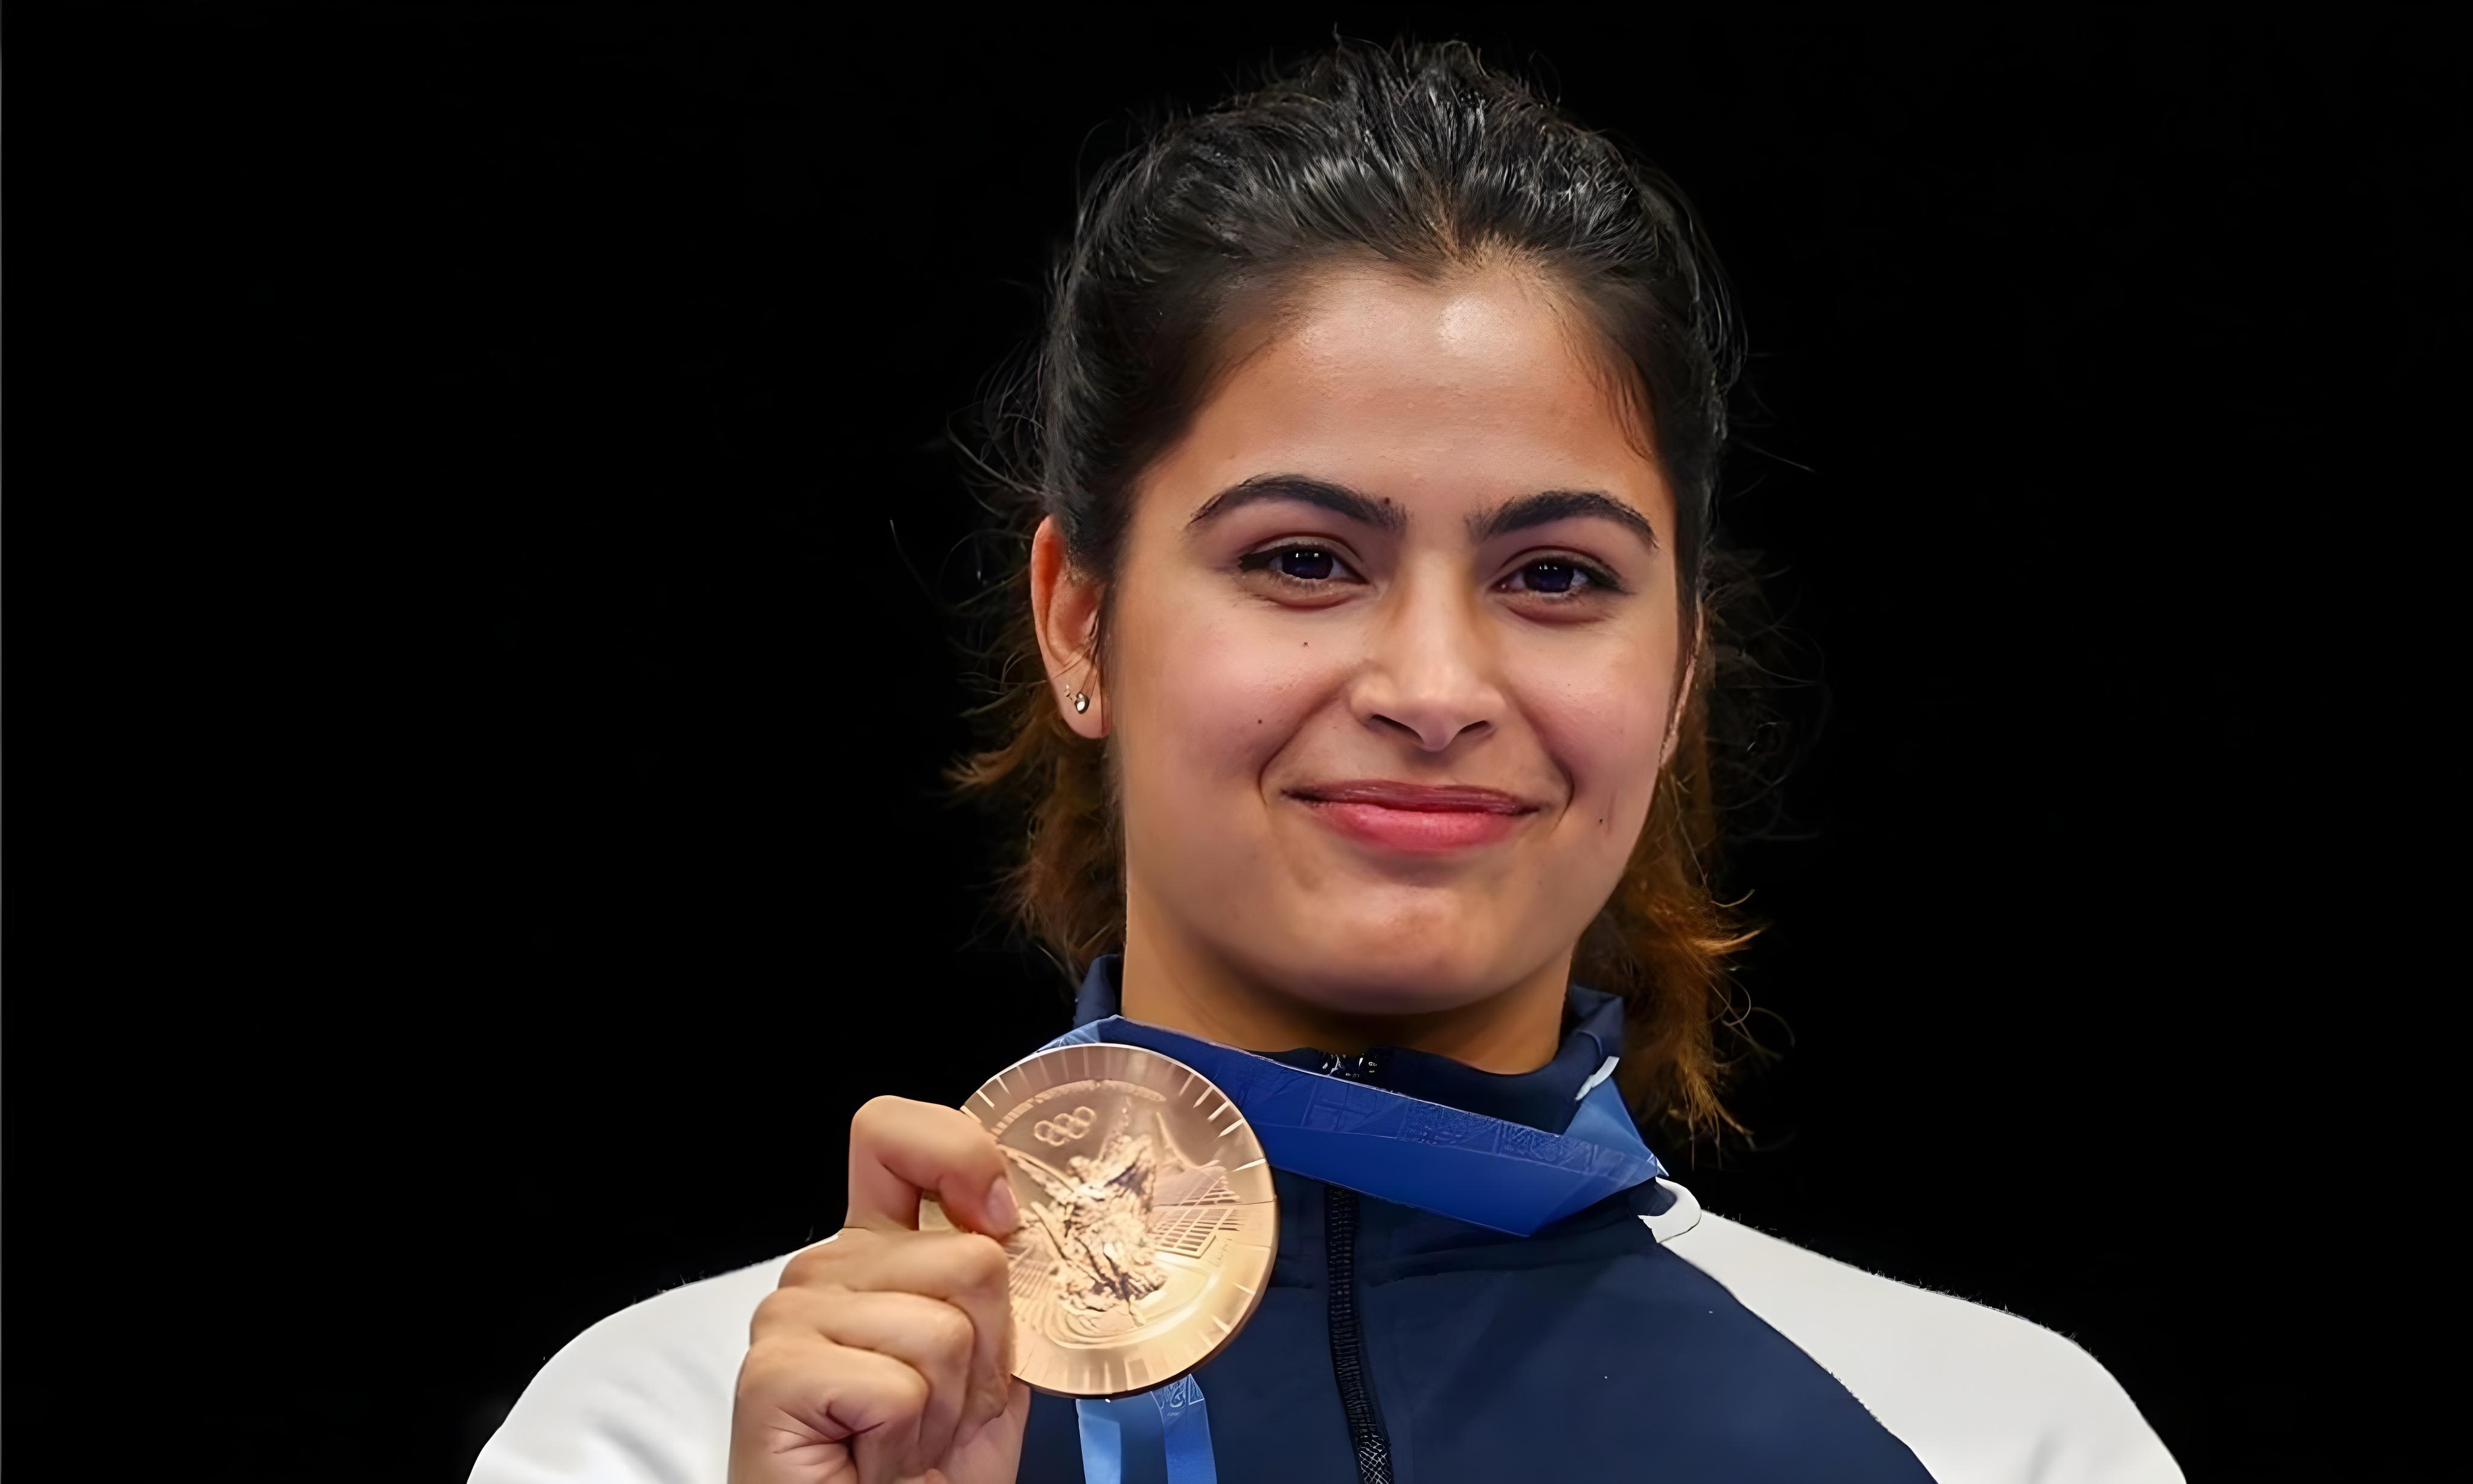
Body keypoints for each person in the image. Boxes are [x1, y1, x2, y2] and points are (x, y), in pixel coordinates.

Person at [469, 39, 2183, 1484]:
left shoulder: (1998, 1438)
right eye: (1302, 558)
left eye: (1558, 576)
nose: (1436, 683)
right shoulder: (686, 1427)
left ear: (1676, 679)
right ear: (1079, 624)